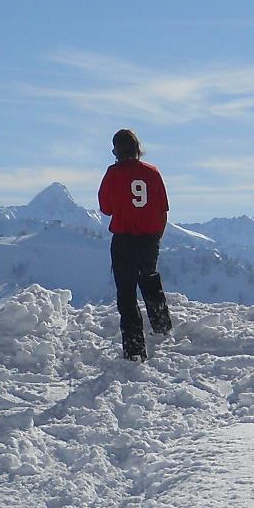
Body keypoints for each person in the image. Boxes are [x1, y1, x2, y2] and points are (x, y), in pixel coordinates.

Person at [97, 128, 173, 360]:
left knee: (127, 293)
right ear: (138, 148)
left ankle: (134, 349)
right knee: (150, 281)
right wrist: (156, 237)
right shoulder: (152, 172)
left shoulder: (113, 173)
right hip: (149, 239)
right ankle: (162, 328)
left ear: (116, 150)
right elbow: (163, 209)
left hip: (124, 239)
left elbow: (106, 208)